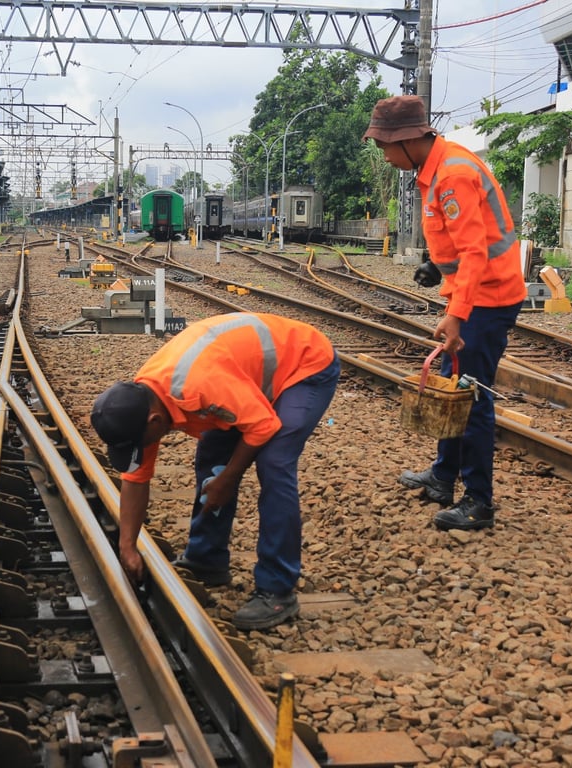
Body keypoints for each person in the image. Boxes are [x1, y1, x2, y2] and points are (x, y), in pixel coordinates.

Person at [90, 313, 340, 630]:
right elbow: (136, 479)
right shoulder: (143, 402)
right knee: (214, 450)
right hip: (241, 380)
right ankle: (206, 559)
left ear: (154, 422)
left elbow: (264, 425)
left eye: (138, 446)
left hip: (305, 364)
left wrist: (229, 478)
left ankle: (278, 589)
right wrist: (127, 546)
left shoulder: (198, 387)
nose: (139, 453)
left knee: (274, 463)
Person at [363, 94, 527, 531]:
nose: (383, 155)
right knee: (455, 388)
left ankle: (478, 501)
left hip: (487, 300)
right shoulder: (436, 168)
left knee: (471, 397)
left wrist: (456, 314)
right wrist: (438, 267)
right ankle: (443, 476)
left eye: (384, 146)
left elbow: (476, 251)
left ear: (407, 140)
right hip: (474, 293)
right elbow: (463, 241)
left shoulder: (452, 173)